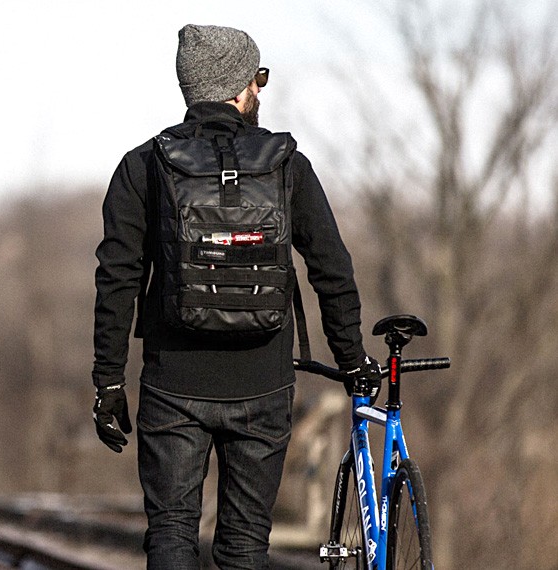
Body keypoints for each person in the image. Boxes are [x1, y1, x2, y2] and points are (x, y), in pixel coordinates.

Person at [92, 23, 381, 570]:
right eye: (258, 78)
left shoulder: (144, 165)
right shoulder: (286, 165)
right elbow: (331, 268)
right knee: (245, 544)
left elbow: (117, 278)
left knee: (172, 532)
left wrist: (108, 381)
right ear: (240, 86)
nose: (260, 89)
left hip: (173, 384)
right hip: (263, 382)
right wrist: (350, 360)